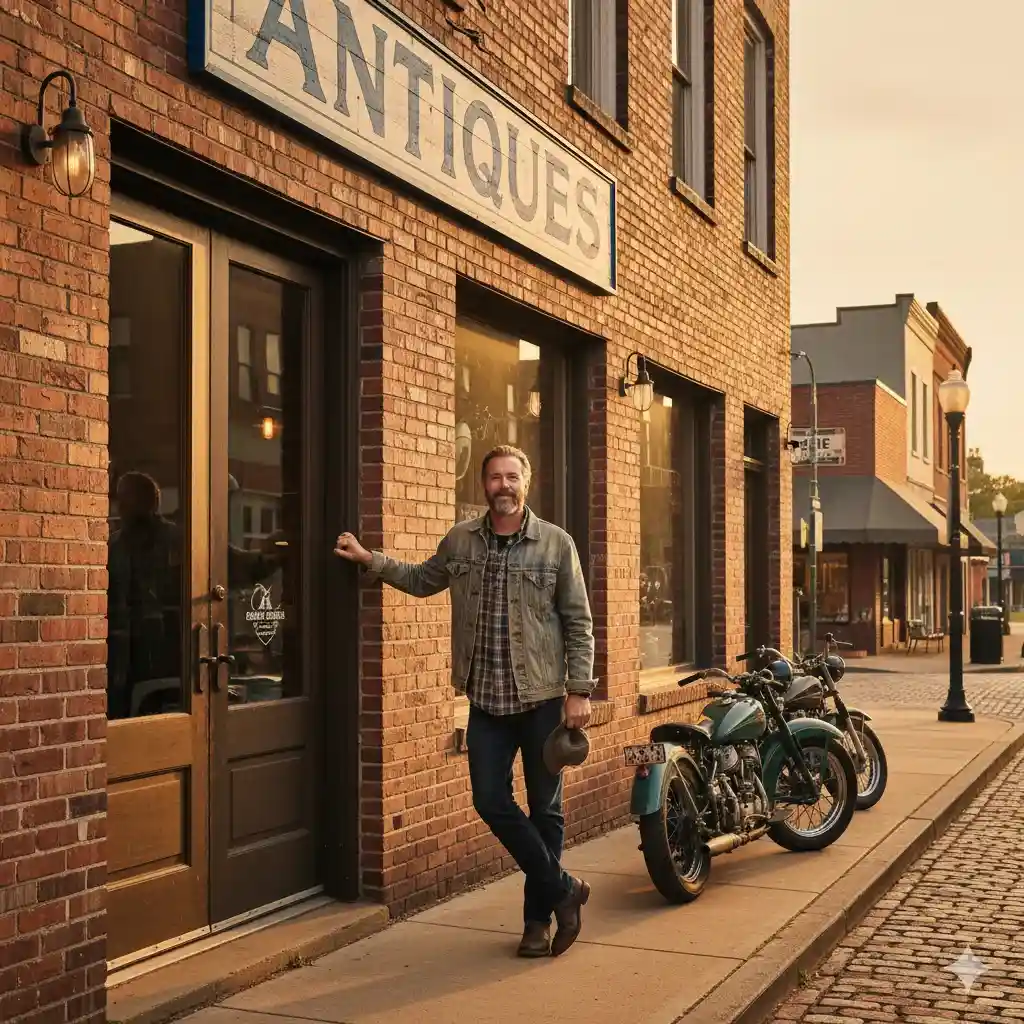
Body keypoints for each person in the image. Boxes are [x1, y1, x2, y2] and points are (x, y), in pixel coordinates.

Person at [334, 445, 596, 958]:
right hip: (487, 701)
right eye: (494, 477)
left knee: (546, 811)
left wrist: (579, 691)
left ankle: (536, 922)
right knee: (489, 801)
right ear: (484, 486)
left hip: (542, 699)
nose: (503, 485)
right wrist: (373, 561)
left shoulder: (556, 545)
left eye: (512, 476)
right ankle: (566, 888)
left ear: (528, 482)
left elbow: (579, 622)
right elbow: (422, 579)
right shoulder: (460, 541)